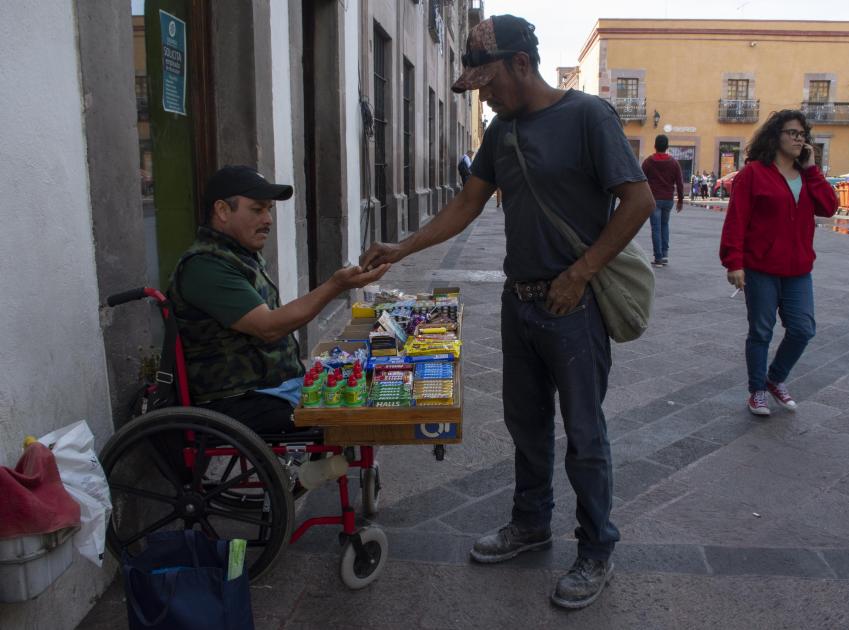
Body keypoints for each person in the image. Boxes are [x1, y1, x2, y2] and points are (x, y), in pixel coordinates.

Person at [360, 14, 653, 610]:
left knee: (585, 433)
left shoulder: (588, 117)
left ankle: (596, 547)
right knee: (526, 427)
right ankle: (531, 523)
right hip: (517, 301)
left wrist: (580, 273)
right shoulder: (502, 132)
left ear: (522, 64)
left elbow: (639, 198)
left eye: (488, 82)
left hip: (573, 304)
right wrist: (402, 248)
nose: (484, 96)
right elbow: (467, 204)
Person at [166, 165, 389, 433]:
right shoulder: (205, 266)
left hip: (268, 385)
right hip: (238, 399)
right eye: (257, 210)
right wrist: (335, 285)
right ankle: (316, 471)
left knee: (366, 382)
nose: (268, 220)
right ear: (223, 211)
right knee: (348, 411)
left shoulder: (237, 255)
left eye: (268, 210)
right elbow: (268, 327)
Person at [719, 110, 838, 416]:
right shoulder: (754, 174)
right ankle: (757, 390)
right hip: (760, 268)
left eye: (802, 135)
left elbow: (829, 207)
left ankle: (775, 379)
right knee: (761, 331)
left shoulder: (807, 176)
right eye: (792, 133)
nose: (799, 139)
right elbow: (736, 221)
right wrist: (734, 262)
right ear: (776, 136)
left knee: (803, 329)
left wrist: (812, 170)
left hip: (798, 270)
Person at [641, 134, 684, 267]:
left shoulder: (648, 162)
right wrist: (680, 200)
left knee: (655, 228)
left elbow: (641, 179)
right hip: (668, 199)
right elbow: (680, 182)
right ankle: (664, 255)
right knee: (664, 225)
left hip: (654, 199)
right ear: (667, 147)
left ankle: (658, 257)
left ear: (655, 146)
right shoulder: (674, 163)